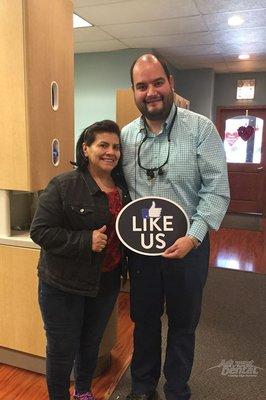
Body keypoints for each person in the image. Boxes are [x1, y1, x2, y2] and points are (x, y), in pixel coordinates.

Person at [121, 54, 230, 400]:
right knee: (145, 322)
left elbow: (217, 190)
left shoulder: (200, 129)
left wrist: (194, 237)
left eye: (157, 82)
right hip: (142, 252)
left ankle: (177, 389)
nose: (150, 92)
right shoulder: (124, 136)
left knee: (183, 325)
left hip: (188, 249)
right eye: (142, 86)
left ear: (171, 83)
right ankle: (142, 387)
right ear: (134, 91)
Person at [30, 120, 130, 400]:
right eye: (103, 145)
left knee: (91, 343)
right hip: (64, 283)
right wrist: (84, 240)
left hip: (107, 280)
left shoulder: (122, 187)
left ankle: (84, 392)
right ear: (85, 148)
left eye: (116, 147)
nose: (111, 152)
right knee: (62, 348)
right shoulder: (64, 184)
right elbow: (40, 231)